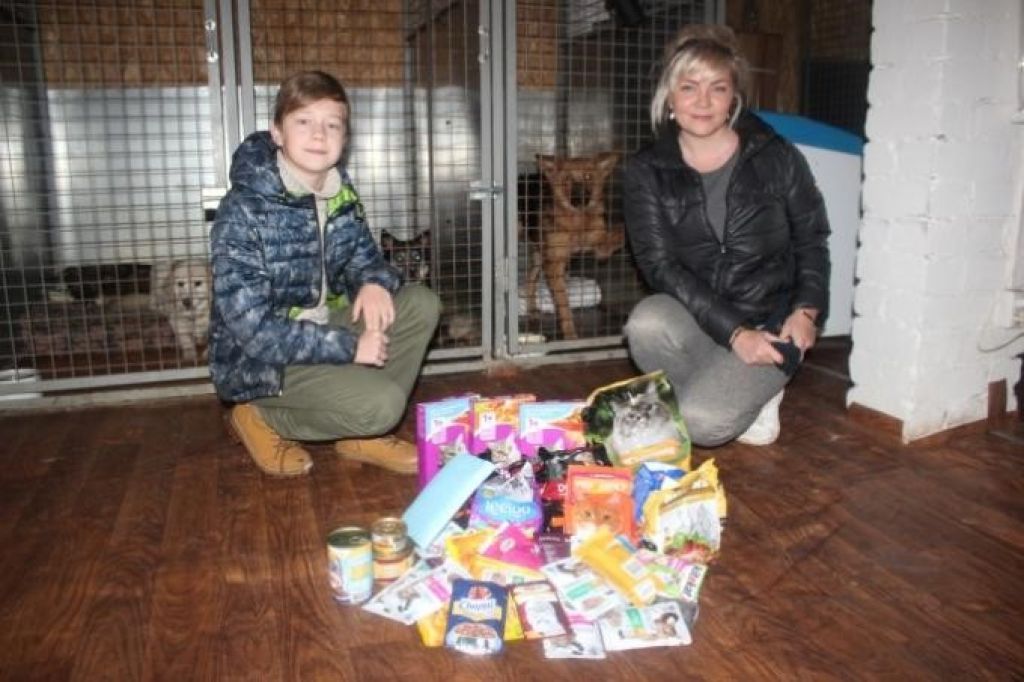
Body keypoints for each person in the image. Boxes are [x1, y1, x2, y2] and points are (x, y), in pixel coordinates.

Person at [209, 70, 441, 477]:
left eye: (332, 124)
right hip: (262, 363)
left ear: (344, 138)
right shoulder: (243, 210)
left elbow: (365, 259)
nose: (319, 134)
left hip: (320, 331)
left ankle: (360, 432)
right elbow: (253, 329)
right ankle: (258, 416)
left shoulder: (338, 192)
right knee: (383, 405)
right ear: (277, 132)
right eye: (304, 121)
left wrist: (373, 281)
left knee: (421, 302)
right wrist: (349, 348)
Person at [622, 25, 830, 447]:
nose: (703, 101)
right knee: (646, 323)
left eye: (717, 88)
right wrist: (735, 334)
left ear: (733, 98)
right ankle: (730, 382)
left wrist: (806, 312)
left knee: (701, 425)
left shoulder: (777, 155)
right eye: (689, 87)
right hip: (704, 318)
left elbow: (812, 239)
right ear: (670, 98)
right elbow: (660, 267)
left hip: (772, 321)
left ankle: (755, 389)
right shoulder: (645, 171)